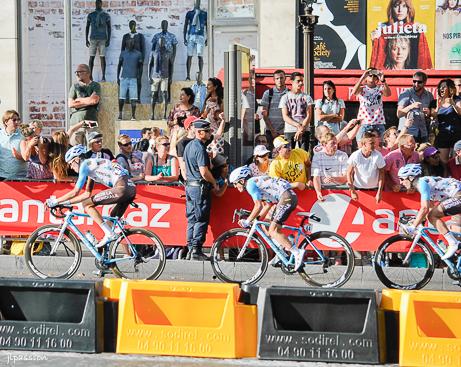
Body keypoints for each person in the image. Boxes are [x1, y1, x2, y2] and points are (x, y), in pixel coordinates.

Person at [46, 145, 136, 248]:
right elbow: (86, 194)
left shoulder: (85, 164)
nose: (70, 167)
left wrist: (56, 201)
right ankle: (106, 257)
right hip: (130, 189)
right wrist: (64, 203)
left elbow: (76, 191)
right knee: (111, 220)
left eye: (70, 163)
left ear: (77, 159)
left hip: (122, 187)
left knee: (87, 205)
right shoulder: (93, 165)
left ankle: (109, 234)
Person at [229, 166, 305, 271]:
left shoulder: (250, 184)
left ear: (242, 180)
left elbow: (258, 206)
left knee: (273, 230)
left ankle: (296, 252)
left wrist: (247, 221)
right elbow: (267, 205)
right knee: (270, 228)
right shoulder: (257, 182)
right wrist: (257, 220)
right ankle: (284, 248)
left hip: (286, 198)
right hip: (288, 197)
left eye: (235, 183)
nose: (234, 186)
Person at [398, 163, 461, 259]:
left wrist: (413, 226)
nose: (400, 182)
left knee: (432, 216)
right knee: (437, 219)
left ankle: (453, 243)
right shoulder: (423, 183)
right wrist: (418, 222)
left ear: (410, 177)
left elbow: (425, 208)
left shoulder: (422, 183)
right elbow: (429, 208)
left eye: (402, 179)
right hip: (456, 196)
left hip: (458, 195)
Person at [183, 119, 219, 260]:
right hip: (199, 187)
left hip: (190, 186)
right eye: (208, 131)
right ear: (200, 132)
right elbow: (204, 171)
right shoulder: (199, 147)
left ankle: (191, 248)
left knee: (192, 218)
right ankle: (196, 250)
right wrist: (214, 182)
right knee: (200, 218)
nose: (210, 133)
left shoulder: (189, 146)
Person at [369, 0, 432, 70]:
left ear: (409, 9)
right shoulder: (383, 29)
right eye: (396, 6)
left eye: (404, 6)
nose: (400, 10)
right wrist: (375, 42)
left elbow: (423, 61)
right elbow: (379, 57)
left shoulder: (416, 28)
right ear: (391, 9)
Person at [346, 131, 386, 204]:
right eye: (371, 143)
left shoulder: (378, 155)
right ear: (364, 144)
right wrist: (352, 191)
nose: (374, 145)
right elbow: (349, 173)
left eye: (374, 142)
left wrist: (379, 192)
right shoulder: (355, 155)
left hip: (374, 189)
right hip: (358, 189)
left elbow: (382, 173)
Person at [352, 68, 391, 140]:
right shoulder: (362, 88)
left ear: (377, 79)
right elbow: (354, 92)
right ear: (366, 78)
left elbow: (388, 94)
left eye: (374, 75)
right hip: (364, 122)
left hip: (378, 122)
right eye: (370, 75)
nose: (372, 77)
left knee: (379, 147)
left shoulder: (380, 88)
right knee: (362, 146)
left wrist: (383, 80)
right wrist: (362, 77)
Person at [279, 72, 314, 151]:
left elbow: (309, 115)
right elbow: (285, 116)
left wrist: (301, 129)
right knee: (288, 154)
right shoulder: (285, 97)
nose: (301, 83)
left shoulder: (307, 97)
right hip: (289, 130)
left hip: (304, 130)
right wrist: (298, 126)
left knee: (303, 155)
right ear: (291, 82)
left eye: (302, 81)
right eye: (298, 81)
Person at [430, 79, 461, 167]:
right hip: (443, 135)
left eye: (444, 87)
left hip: (457, 135)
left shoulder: (457, 100)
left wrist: (453, 104)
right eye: (440, 87)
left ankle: (456, 180)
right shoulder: (435, 102)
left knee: (456, 163)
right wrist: (437, 107)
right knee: (443, 163)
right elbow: (433, 116)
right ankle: (444, 179)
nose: (441, 89)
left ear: (450, 89)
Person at [68, 64, 101, 146]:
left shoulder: (95, 85)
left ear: (88, 73)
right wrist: (88, 99)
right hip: (76, 122)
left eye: (80, 72)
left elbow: (94, 100)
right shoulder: (75, 86)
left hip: (91, 121)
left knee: (92, 147)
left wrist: (78, 101)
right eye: (76, 72)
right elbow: (71, 104)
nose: (77, 74)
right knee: (76, 147)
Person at [397, 71, 433, 143]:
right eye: (414, 81)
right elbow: (399, 114)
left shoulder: (429, 95)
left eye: (419, 82)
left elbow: (431, 114)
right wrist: (411, 106)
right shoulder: (406, 93)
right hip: (408, 132)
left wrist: (429, 113)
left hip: (423, 132)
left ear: (425, 82)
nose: (416, 84)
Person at [312, 132, 348, 201]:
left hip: (342, 192)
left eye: (336, 143)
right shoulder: (317, 156)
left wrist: (333, 178)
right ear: (324, 144)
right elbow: (316, 177)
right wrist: (318, 192)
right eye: (332, 143)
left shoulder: (343, 155)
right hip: (325, 191)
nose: (335, 145)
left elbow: (345, 178)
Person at [150, 20, 178, 110]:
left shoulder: (172, 36)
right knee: (158, 77)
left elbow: (174, 47)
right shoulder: (156, 36)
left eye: (165, 24)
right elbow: (153, 47)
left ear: (168, 25)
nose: (164, 25)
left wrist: (173, 57)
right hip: (158, 58)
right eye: (163, 24)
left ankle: (167, 98)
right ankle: (158, 98)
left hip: (167, 57)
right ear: (161, 25)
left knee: (167, 78)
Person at [260, 69, 288, 148]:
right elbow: (264, 114)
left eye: (281, 78)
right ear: (274, 80)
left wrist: (283, 130)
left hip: (285, 131)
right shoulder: (268, 93)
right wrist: (273, 131)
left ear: (285, 78)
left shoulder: (290, 93)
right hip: (270, 131)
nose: (279, 80)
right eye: (277, 78)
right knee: (271, 154)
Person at [117, 38, 143, 121]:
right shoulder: (123, 53)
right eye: (129, 43)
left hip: (133, 78)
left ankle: (133, 115)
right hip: (124, 77)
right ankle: (120, 114)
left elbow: (140, 67)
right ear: (126, 44)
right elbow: (119, 65)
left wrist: (139, 77)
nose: (131, 44)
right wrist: (117, 77)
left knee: (133, 98)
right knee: (121, 97)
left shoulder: (138, 54)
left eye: (132, 43)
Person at [85, 0, 111, 81]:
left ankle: (103, 76)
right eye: (96, 3)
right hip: (93, 38)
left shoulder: (106, 15)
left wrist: (108, 39)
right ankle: (90, 76)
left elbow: (109, 28)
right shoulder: (91, 15)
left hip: (103, 38)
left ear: (101, 4)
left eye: (99, 3)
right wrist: (86, 39)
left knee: (102, 57)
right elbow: (87, 27)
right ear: (95, 4)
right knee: (91, 57)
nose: (97, 4)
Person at [121, 20, 145, 102]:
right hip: (128, 62)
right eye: (131, 25)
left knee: (138, 80)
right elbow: (122, 50)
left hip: (138, 62)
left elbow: (143, 49)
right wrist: (122, 62)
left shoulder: (140, 36)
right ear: (129, 26)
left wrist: (142, 61)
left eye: (133, 24)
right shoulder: (125, 36)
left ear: (136, 25)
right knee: (127, 80)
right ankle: (127, 98)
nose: (132, 26)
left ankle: (137, 98)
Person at [184, 0, 207, 80]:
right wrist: (184, 37)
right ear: (193, 3)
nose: (197, 3)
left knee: (200, 56)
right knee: (189, 55)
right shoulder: (190, 13)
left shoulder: (204, 13)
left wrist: (207, 38)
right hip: (191, 36)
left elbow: (207, 26)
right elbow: (185, 25)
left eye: (199, 1)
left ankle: (200, 74)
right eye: (196, 1)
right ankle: (188, 75)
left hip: (200, 36)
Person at [0, 110, 27, 180]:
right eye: (14, 120)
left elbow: (29, 157)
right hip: (2, 176)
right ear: (6, 122)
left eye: (18, 120)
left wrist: (20, 157)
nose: (17, 122)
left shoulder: (23, 135)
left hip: (20, 177)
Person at [201, 77, 225, 155]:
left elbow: (223, 115)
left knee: (217, 155)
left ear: (215, 87)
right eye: (207, 85)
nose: (207, 86)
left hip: (219, 132)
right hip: (209, 132)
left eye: (209, 85)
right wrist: (206, 112)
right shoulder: (207, 100)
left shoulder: (221, 100)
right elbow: (203, 115)